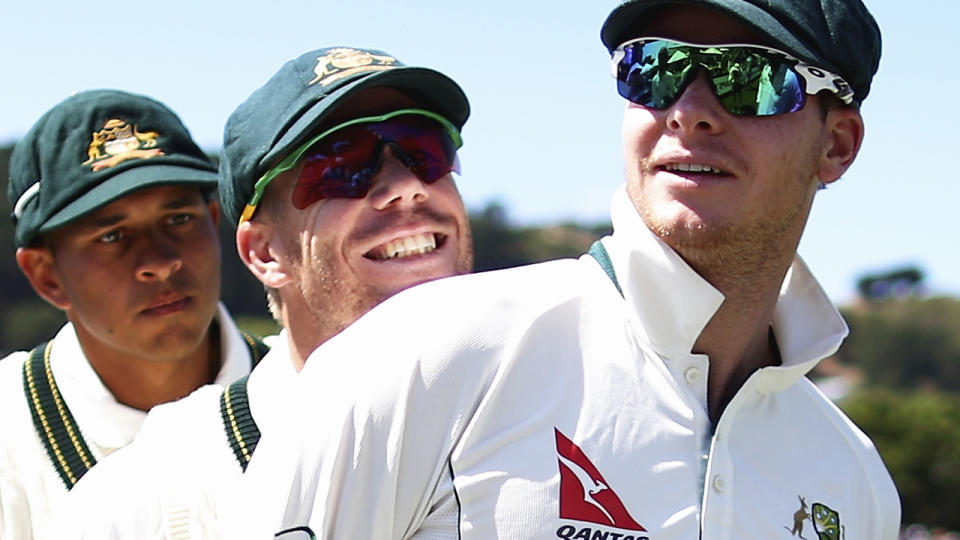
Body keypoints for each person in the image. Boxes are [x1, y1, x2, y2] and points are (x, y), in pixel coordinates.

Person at [227, 1, 902, 539]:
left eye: (748, 78)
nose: (688, 113)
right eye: (654, 69)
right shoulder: (421, 353)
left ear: (836, 145)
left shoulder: (853, 475)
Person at [52, 47, 474, 538]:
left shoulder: (565, 404)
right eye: (341, 164)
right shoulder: (143, 503)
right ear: (265, 253)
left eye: (425, 151)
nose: (406, 187)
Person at [0, 89, 266, 539]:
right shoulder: (10, 429)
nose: (160, 261)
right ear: (47, 275)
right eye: (111, 235)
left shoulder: (317, 393)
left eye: (179, 219)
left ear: (214, 219)